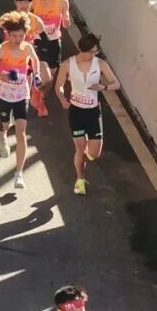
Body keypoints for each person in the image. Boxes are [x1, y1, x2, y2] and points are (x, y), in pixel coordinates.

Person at [0, 10, 42, 190]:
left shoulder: (28, 48)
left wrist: (37, 75)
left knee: (21, 132)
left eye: (21, 35)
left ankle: (19, 174)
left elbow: (35, 60)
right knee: (5, 124)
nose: (18, 39)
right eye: (14, 36)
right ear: (8, 34)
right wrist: (4, 76)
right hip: (3, 94)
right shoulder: (1, 49)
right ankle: (1, 135)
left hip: (21, 95)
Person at [56, 32, 120, 195]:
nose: (93, 55)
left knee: (94, 153)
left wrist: (103, 87)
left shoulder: (100, 64)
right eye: (90, 52)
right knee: (80, 149)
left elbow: (116, 84)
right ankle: (80, 179)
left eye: (95, 52)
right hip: (76, 112)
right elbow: (59, 86)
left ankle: (86, 155)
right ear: (81, 49)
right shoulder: (67, 64)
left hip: (93, 112)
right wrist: (63, 99)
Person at [28, 0, 69, 116]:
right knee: (46, 77)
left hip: (54, 41)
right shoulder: (35, 1)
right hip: (39, 41)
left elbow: (66, 22)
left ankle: (40, 98)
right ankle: (38, 97)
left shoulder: (63, 1)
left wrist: (66, 20)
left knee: (51, 77)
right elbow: (27, 18)